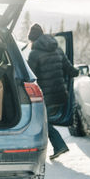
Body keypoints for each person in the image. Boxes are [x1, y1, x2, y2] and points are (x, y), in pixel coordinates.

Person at [27, 23, 79, 160]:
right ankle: (57, 147)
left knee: (44, 121)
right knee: (46, 120)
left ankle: (59, 145)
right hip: (60, 94)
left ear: (32, 39)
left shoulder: (34, 53)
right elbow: (69, 69)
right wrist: (77, 72)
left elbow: (29, 75)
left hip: (46, 96)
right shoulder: (58, 49)